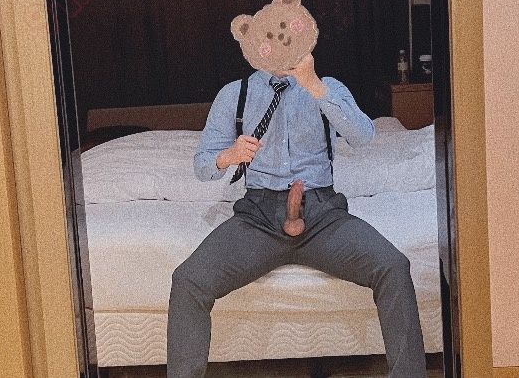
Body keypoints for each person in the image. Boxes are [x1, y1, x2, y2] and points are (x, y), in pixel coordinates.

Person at [166, 53, 427, 377]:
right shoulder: (235, 94)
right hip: (259, 216)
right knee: (188, 279)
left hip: (322, 214)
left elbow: (364, 135)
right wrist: (228, 156)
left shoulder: (326, 87)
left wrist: (314, 85)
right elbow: (202, 165)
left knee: (393, 265)